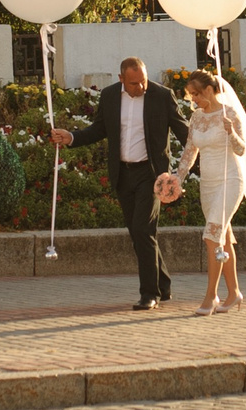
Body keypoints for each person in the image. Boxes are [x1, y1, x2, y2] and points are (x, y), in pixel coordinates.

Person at [49, 57, 185, 311]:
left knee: (143, 230)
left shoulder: (162, 96)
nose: (141, 87)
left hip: (152, 175)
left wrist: (204, 151)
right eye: (134, 83)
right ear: (121, 79)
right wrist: (72, 137)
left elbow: (184, 131)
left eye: (143, 81)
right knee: (138, 233)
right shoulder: (110, 96)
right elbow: (100, 129)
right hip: (123, 174)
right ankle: (163, 285)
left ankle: (149, 294)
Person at [164, 68, 246, 314]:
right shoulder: (197, 118)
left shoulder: (229, 114)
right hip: (207, 185)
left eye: (197, 94)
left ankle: (211, 297)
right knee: (223, 238)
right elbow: (190, 151)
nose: (194, 99)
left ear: (210, 89)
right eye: (191, 95)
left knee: (212, 236)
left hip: (230, 179)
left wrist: (231, 131)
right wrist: (178, 178)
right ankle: (234, 293)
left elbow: (241, 150)